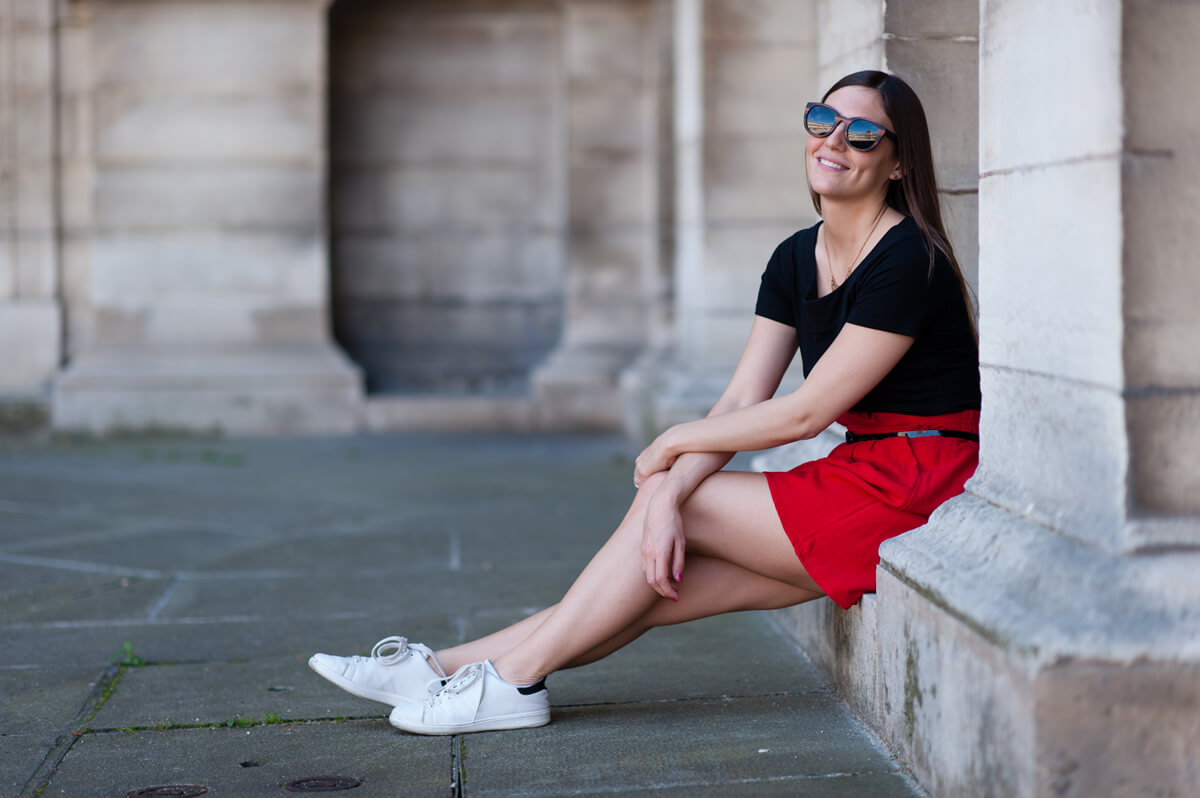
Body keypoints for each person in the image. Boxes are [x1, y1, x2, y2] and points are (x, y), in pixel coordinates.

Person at [309, 70, 981, 736]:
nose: (834, 141)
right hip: (860, 477)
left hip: (920, 484)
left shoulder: (906, 260)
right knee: (653, 590)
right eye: (820, 121)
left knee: (677, 518)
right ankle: (438, 669)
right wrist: (665, 491)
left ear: (896, 162)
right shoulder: (792, 259)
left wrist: (670, 452)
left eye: (862, 133)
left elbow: (806, 412)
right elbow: (744, 397)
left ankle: (512, 684)